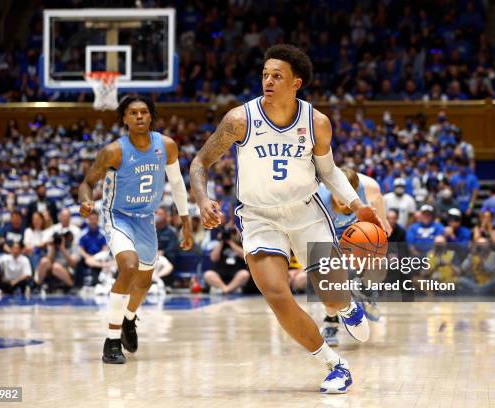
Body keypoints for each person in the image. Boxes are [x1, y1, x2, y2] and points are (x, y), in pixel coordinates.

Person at [190, 44, 383, 394]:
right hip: (259, 216)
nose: (268, 80)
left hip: (306, 212)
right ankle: (334, 365)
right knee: (277, 294)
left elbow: (329, 171)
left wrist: (358, 205)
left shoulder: (317, 122)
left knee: (331, 296)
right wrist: (202, 199)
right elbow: (200, 163)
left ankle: (345, 305)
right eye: (265, 74)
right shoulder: (239, 120)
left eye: (277, 76)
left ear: (296, 83)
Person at [78, 95, 193, 364]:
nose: (139, 116)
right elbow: (87, 183)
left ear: (151, 116)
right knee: (128, 267)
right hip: (116, 215)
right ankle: (112, 340)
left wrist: (186, 223)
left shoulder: (166, 146)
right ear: (125, 119)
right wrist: (85, 201)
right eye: (133, 113)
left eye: (144, 112)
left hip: (145, 218)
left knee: (143, 282)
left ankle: (129, 318)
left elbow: (177, 186)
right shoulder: (113, 151)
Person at [317, 167, 390, 346]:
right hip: (326, 234)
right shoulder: (317, 195)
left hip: (355, 232)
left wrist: (383, 220)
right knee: (332, 284)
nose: (343, 202)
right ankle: (330, 322)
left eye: (347, 199)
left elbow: (378, 199)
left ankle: (364, 292)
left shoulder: (369, 187)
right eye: (338, 197)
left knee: (380, 260)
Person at [203, 226, 250, 294]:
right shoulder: (220, 245)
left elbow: (244, 256)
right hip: (221, 274)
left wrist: (231, 242)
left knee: (244, 274)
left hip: (236, 274)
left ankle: (226, 290)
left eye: (234, 232)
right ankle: (226, 289)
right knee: (208, 274)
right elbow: (214, 258)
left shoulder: (242, 244)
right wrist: (221, 241)